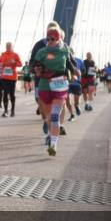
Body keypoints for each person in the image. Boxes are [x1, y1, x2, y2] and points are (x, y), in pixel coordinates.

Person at [32, 27, 75, 156]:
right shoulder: (41, 52)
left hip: (60, 86)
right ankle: (51, 135)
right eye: (48, 38)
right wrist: (36, 70)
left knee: (55, 115)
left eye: (52, 39)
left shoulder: (65, 51)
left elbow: (71, 65)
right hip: (45, 86)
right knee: (49, 117)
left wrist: (75, 73)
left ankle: (53, 144)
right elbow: (32, 65)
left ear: (59, 39)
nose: (50, 41)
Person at [0, 42, 21, 117]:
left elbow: (20, 64)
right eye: (7, 46)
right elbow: (0, 63)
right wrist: (3, 63)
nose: (8, 47)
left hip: (12, 78)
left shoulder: (15, 55)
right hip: (4, 77)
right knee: (5, 94)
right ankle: (5, 111)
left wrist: (14, 62)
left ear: (12, 47)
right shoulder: (3, 54)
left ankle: (12, 110)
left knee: (12, 94)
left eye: (9, 46)